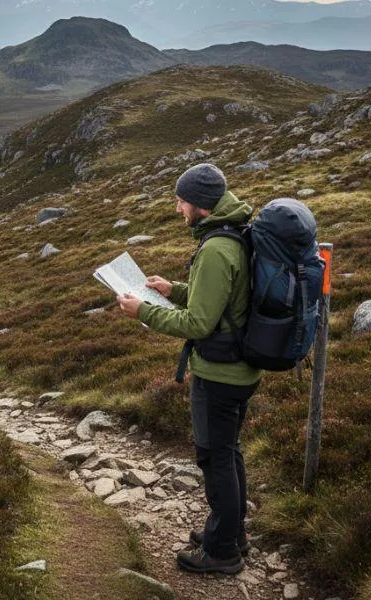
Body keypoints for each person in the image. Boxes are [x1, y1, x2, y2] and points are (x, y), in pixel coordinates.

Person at [117, 163, 263, 575]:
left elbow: (199, 324)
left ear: (199, 205)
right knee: (228, 452)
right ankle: (231, 534)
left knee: (215, 458)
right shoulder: (232, 233)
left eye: (181, 200)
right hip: (238, 369)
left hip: (220, 374)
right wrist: (173, 290)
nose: (177, 207)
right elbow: (220, 302)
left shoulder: (218, 249)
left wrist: (142, 312)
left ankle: (222, 554)